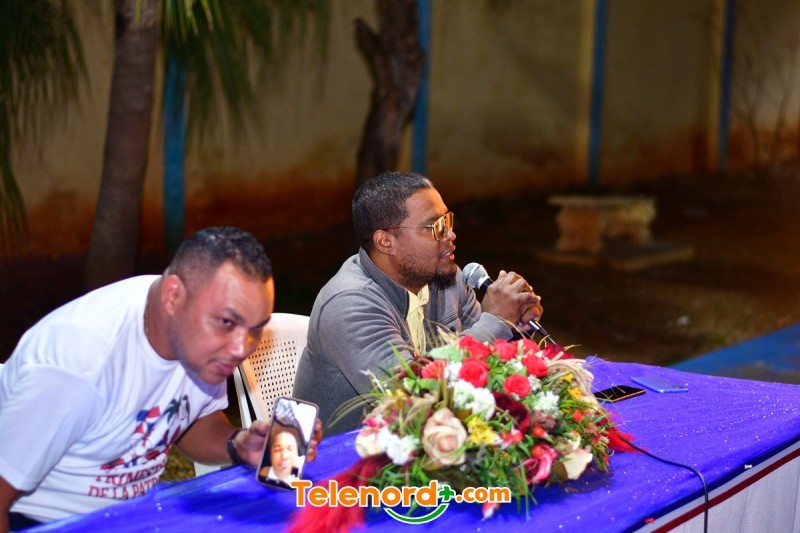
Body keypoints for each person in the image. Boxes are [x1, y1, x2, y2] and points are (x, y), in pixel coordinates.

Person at [0, 226, 322, 532]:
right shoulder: (75, 369)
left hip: (137, 513)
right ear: (172, 296)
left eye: (256, 328)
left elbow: (192, 421)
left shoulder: (195, 333)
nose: (242, 348)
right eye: (227, 322)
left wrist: (239, 446)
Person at [292, 172, 543, 434]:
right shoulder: (348, 305)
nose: (450, 234)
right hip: (342, 453)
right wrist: (495, 321)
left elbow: (488, 362)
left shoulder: (446, 280)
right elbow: (411, 398)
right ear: (385, 242)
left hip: (432, 440)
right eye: (434, 227)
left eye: (447, 220)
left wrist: (515, 325)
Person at [258, 422, 305, 487]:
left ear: (297, 453)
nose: (284, 456)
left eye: (290, 449)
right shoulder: (264, 474)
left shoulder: (303, 465)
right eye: (278, 450)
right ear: (271, 454)